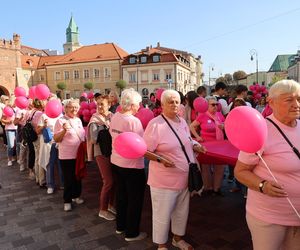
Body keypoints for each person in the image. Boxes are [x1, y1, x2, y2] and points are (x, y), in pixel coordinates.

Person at [234, 80, 300, 250]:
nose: (296, 104)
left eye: (299, 99)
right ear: (271, 102)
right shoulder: (261, 130)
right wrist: (262, 185)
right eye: (289, 100)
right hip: (269, 217)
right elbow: (240, 171)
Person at [144, 89, 206, 250]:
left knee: (181, 212)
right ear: (162, 104)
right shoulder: (156, 124)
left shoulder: (182, 121)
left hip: (184, 178)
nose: (174, 104)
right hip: (163, 180)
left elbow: (187, 141)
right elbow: (145, 150)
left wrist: (196, 145)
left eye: (177, 101)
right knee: (162, 214)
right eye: (170, 101)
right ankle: (161, 244)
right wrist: (161, 159)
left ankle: (177, 239)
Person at [109, 88, 146, 241]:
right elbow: (142, 145)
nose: (140, 106)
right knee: (135, 199)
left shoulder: (116, 116)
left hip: (116, 162)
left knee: (121, 196)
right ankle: (132, 233)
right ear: (131, 105)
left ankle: (120, 226)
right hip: (132, 166)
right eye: (138, 104)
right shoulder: (133, 121)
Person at [87, 95, 116, 221]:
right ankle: (103, 210)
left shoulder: (112, 117)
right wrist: (104, 130)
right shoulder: (94, 120)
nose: (99, 107)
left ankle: (110, 205)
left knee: (114, 180)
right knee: (108, 181)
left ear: (109, 105)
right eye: (98, 104)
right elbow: (93, 139)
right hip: (101, 153)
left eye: (102, 104)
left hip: (113, 152)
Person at [190, 96, 225, 195]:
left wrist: (224, 126)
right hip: (207, 146)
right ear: (207, 106)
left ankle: (216, 189)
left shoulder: (219, 115)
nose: (215, 106)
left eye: (216, 104)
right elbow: (192, 126)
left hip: (219, 145)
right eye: (212, 104)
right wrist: (197, 137)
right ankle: (208, 188)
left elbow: (226, 124)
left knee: (219, 167)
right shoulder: (202, 115)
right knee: (206, 168)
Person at [54, 99, 85, 212]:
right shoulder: (60, 121)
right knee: (68, 178)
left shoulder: (78, 120)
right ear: (65, 108)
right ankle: (67, 201)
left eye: (76, 107)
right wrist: (63, 131)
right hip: (66, 155)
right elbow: (56, 139)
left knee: (78, 176)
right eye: (71, 107)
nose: (74, 109)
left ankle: (76, 196)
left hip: (79, 154)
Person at [1, 96, 17, 166]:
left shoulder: (18, 108)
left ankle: (15, 157)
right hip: (10, 129)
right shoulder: (7, 109)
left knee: (17, 145)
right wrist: (8, 121)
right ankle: (9, 159)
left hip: (18, 128)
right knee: (10, 145)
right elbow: (2, 120)